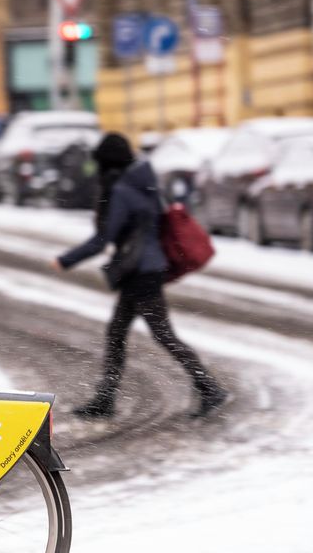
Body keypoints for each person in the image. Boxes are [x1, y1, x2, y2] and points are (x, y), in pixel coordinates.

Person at [49, 132, 229, 420]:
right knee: (119, 332)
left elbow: (103, 238)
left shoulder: (121, 190)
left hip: (141, 272)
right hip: (145, 269)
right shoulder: (143, 182)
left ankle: (208, 387)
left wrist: (65, 260)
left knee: (160, 334)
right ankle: (106, 398)